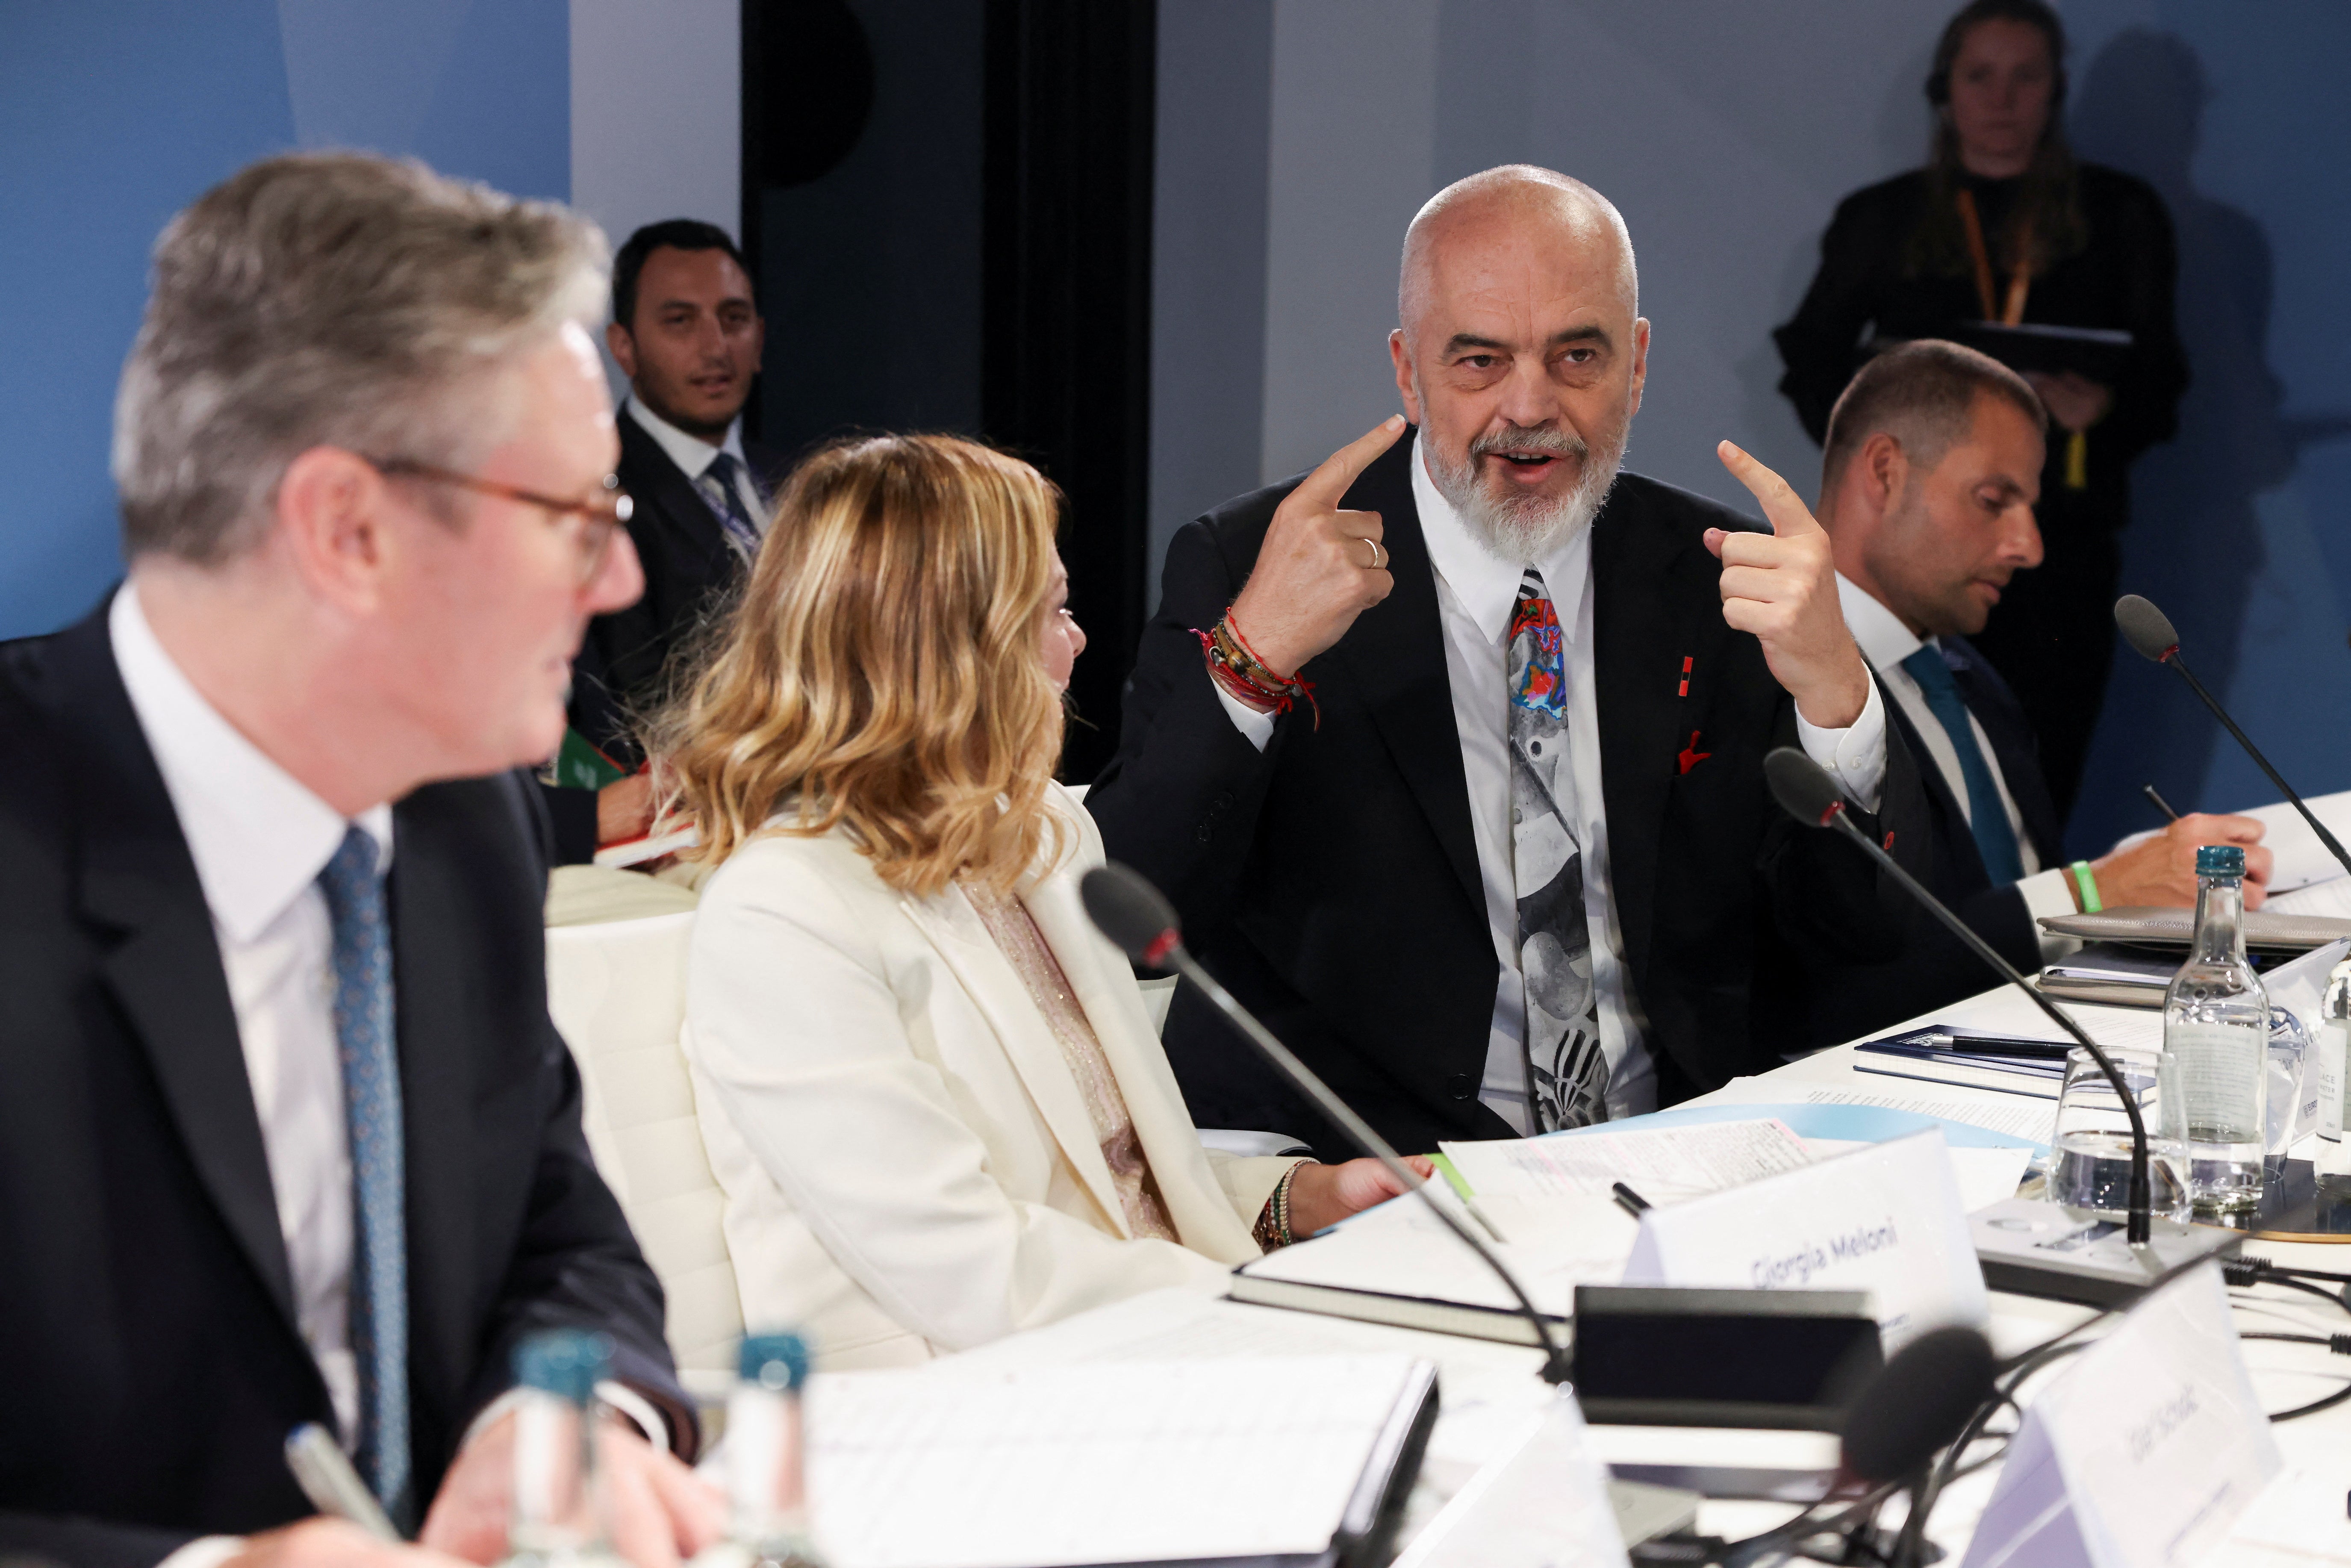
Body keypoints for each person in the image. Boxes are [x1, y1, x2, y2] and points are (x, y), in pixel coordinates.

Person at [0, 154, 722, 1566]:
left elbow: (557, 1227)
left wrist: (563, 1412)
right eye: (579, 515)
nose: (623, 579)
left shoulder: (466, 819)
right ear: (347, 528)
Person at [1087, 165, 1935, 1158]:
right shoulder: (1253, 565)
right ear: (1406, 372)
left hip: (1670, 1156)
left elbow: (1857, 942)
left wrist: (1836, 699)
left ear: (1638, 362)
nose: (1529, 407)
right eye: (1479, 362)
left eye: (1576, 356)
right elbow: (1126, 906)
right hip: (1370, 1176)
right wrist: (1251, 662)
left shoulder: (1719, 579)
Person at [654, 434, 1424, 1370]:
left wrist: (1290, 1199)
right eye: (1053, 611)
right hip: (961, 1420)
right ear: (948, 649)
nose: (1077, 642)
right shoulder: (782, 911)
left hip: (1147, 1353)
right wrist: (1264, 1309)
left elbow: (1111, 1179)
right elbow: (970, 1267)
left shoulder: (1040, 834)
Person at [1771, 339, 2269, 1047]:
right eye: (1994, 500)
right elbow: (1831, 984)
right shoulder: (1767, 682)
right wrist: (2094, 893)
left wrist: (2140, 888)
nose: (2029, 546)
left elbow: (2015, 910)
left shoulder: (1979, 689)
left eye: (2030, 507)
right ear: (1885, 472)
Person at [1773, 0, 2189, 823]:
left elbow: (2165, 383)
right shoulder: (1882, 218)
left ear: (2055, 91)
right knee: (1887, 776)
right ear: (1946, 90)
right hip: (1901, 553)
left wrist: (2099, 409)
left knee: (2037, 778)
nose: (2002, 100)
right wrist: (1889, 455)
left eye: (2026, 77)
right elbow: (1810, 359)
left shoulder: (2120, 217)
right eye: (1980, 76)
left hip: (2055, 552)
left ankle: (2022, 928)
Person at [550, 220, 784, 861]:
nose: (716, 347)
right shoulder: (588, 492)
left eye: (733, 318)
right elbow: (622, 706)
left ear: (760, 338)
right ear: (623, 347)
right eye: (680, 322)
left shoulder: (802, 481)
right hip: (695, 832)